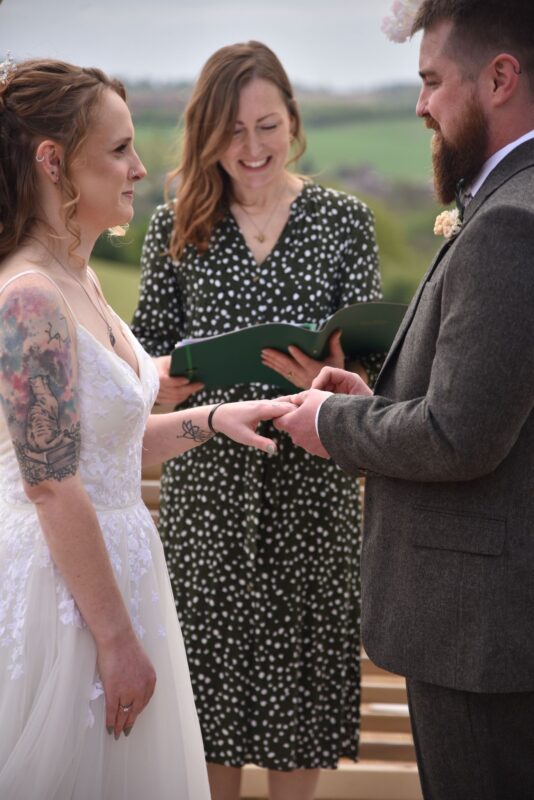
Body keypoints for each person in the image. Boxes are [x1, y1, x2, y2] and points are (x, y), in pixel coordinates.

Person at [0, 56, 294, 800]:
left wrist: (214, 420)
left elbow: (109, 450)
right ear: (53, 161)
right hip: (66, 598)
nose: (139, 168)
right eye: (120, 148)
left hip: (121, 577)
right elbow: (55, 485)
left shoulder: (84, 278)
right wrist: (116, 641)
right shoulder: (30, 297)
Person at [274, 1, 534, 798]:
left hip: (479, 638)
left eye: (431, 81)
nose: (419, 104)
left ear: (499, 79)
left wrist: (333, 422)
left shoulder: (509, 225)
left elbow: (460, 436)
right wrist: (377, 397)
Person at [131, 41, 382, 800]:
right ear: (206, 135)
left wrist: (337, 383)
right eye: (232, 131)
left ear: (294, 122)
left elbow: (377, 380)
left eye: (267, 126)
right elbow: (143, 371)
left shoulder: (346, 223)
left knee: (298, 705)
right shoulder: (175, 227)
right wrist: (171, 381)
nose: (252, 148)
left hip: (312, 499)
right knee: (204, 705)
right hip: (207, 501)